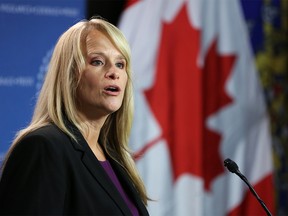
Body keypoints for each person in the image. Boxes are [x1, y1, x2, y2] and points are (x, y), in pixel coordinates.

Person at [0, 17, 149, 215]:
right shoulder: (43, 147)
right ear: (69, 75)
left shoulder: (116, 158)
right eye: (98, 61)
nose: (114, 73)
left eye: (120, 64)